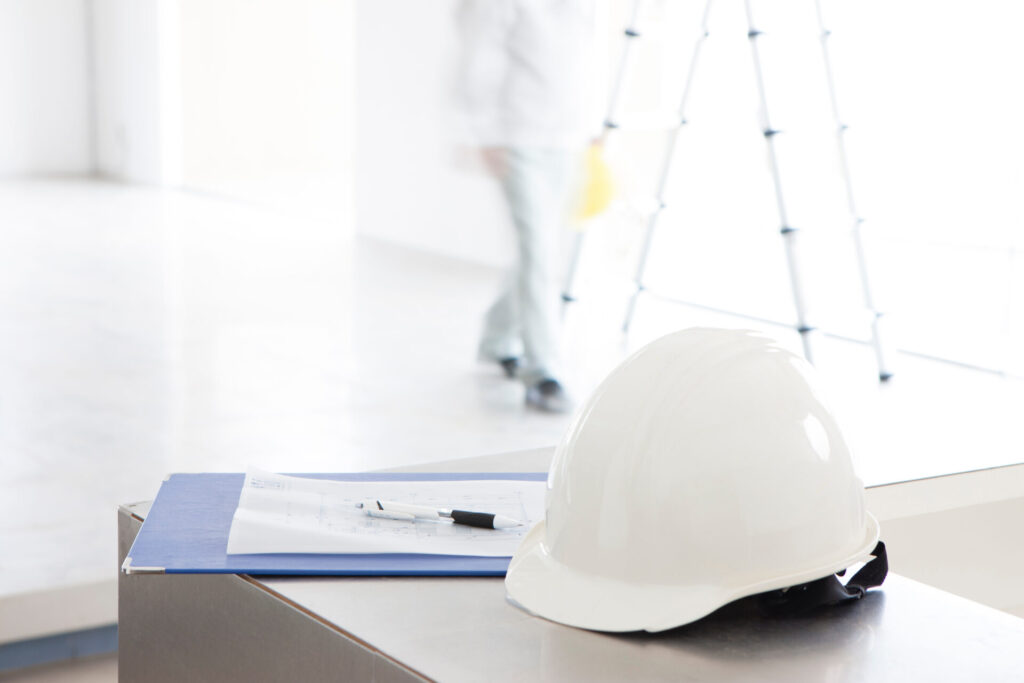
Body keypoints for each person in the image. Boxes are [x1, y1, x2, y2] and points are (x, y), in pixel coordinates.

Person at [455, 0, 605, 413]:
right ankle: (544, 371)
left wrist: (592, 126)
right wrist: (485, 134)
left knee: (538, 250)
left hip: (568, 140)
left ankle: (496, 338)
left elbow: (588, 58)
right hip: (517, 138)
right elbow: (479, 61)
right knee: (538, 250)